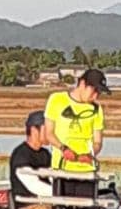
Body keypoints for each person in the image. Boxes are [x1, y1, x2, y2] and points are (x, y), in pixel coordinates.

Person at [44, 68, 110, 199]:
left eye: (99, 93)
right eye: (94, 91)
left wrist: (91, 154)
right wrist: (64, 149)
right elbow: (49, 133)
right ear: (82, 84)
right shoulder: (57, 100)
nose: (95, 96)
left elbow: (97, 142)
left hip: (87, 170)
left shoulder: (97, 110)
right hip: (62, 168)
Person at [9, 110, 55, 209]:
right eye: (47, 130)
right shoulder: (21, 155)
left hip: (46, 204)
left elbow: (53, 177)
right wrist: (61, 193)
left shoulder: (45, 154)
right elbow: (34, 185)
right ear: (34, 130)